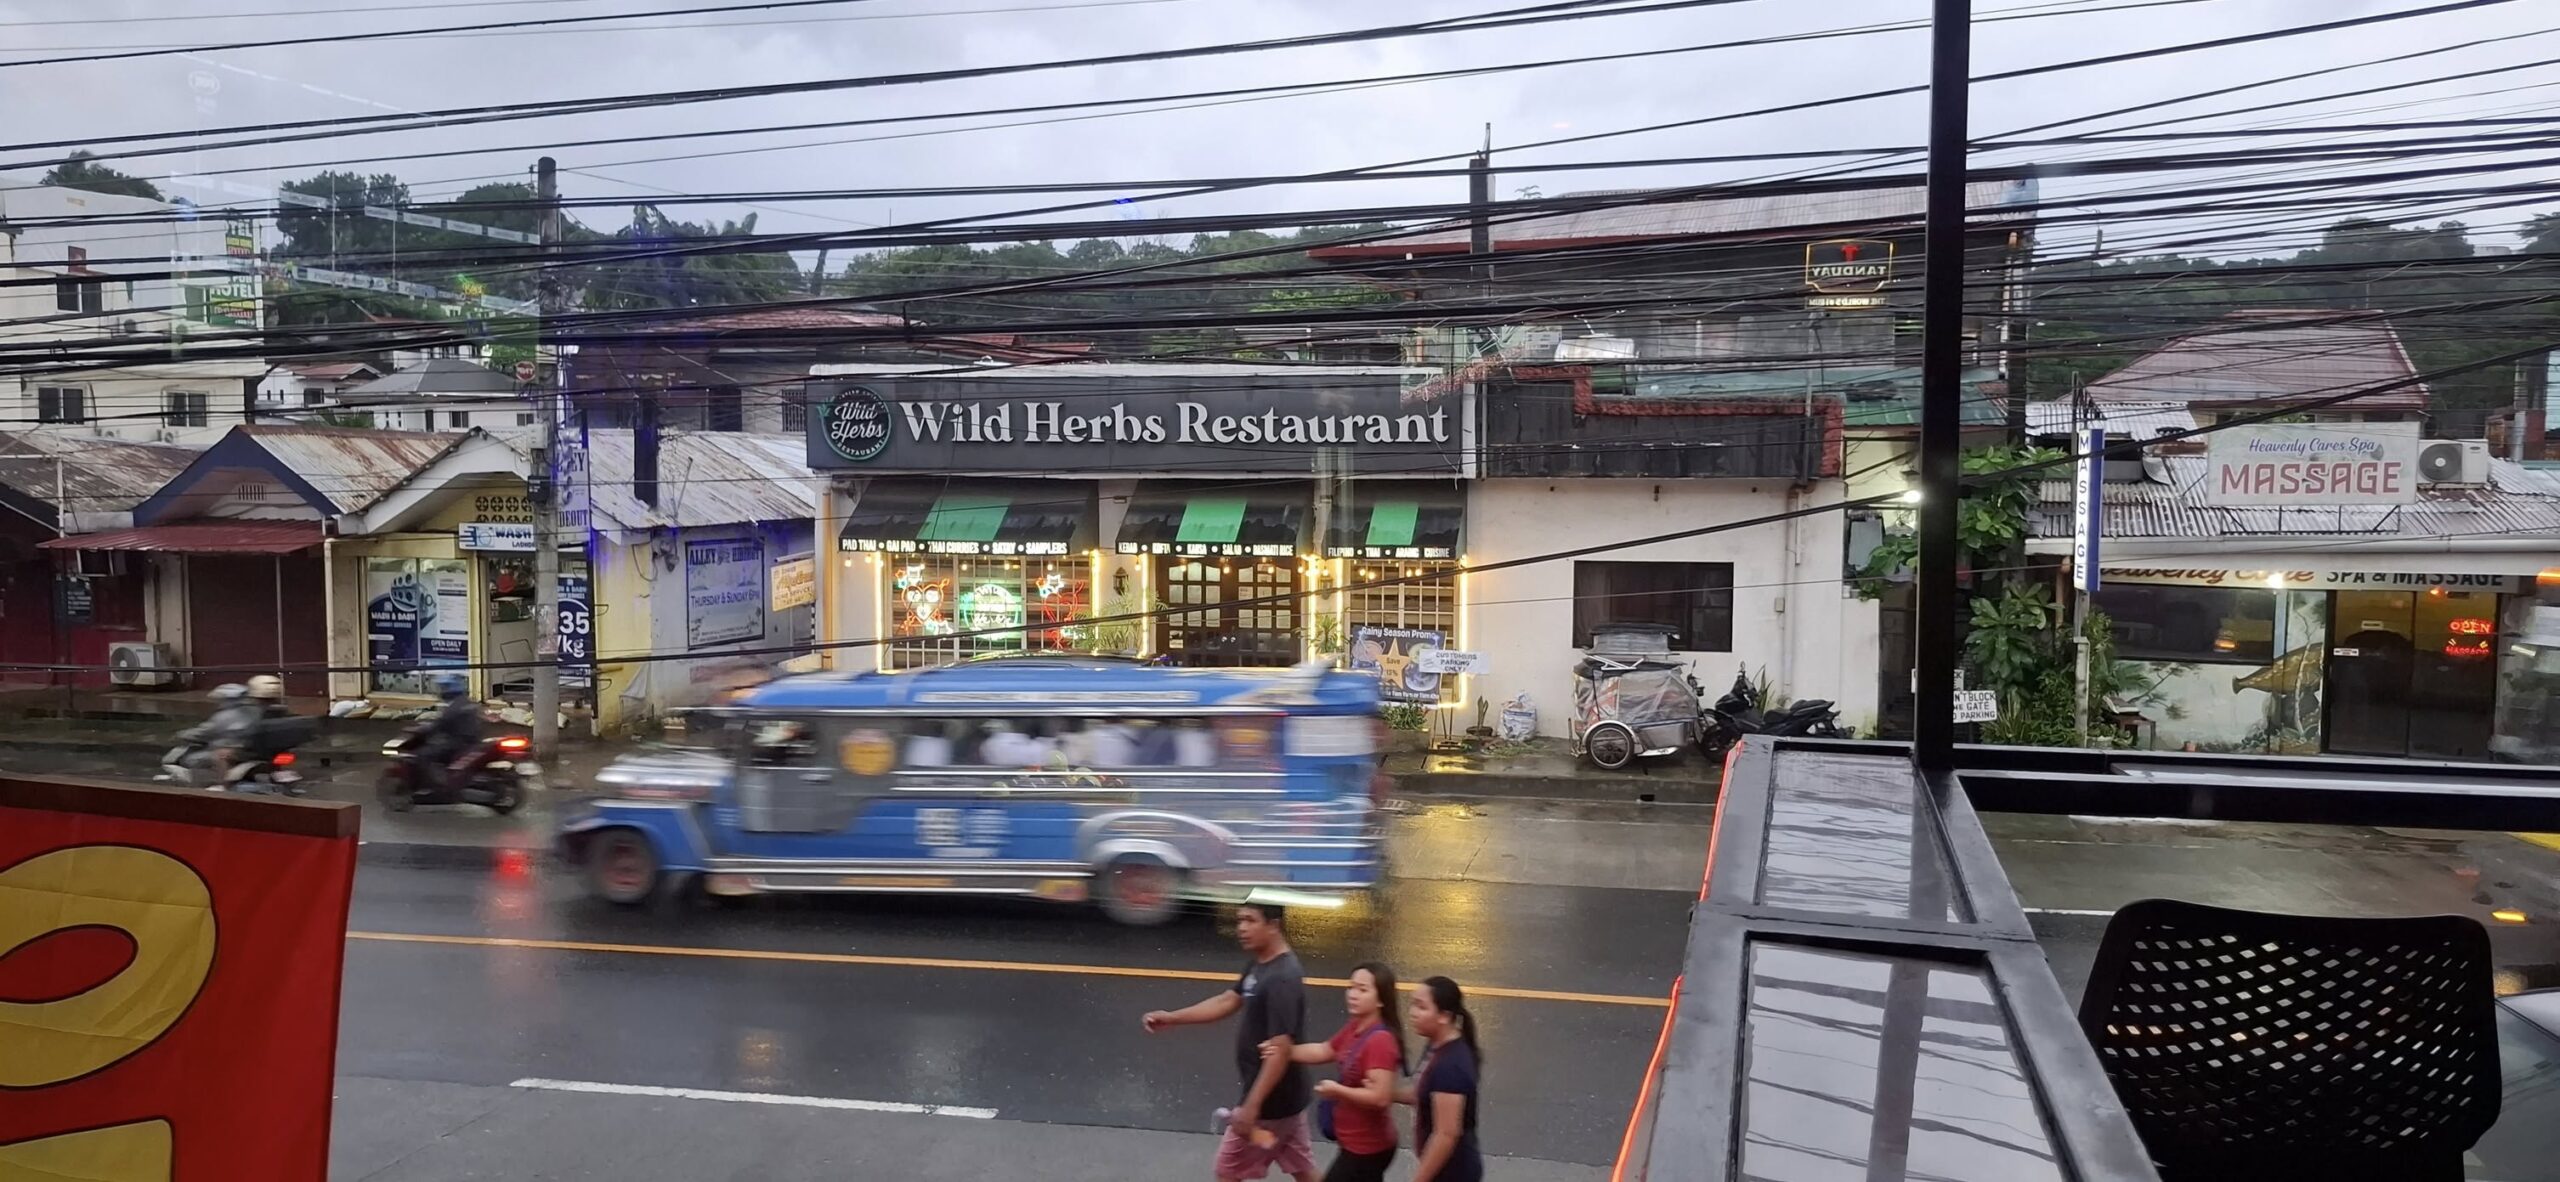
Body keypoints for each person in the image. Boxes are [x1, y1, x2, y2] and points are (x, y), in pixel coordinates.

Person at [1142, 903, 1317, 1182]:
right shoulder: (1262, 963)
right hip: (1288, 1102)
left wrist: (1251, 1106)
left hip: (1271, 1105)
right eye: (1239, 921)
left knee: (1228, 1170)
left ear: (1273, 925)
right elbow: (1228, 1000)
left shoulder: (1282, 979)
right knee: (1301, 1168)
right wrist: (1173, 1018)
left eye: (1250, 920)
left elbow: (1280, 1050)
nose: (1241, 928)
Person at [1265, 962, 1404, 1182]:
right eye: (1351, 987)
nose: (1353, 995)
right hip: (1356, 1144)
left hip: (1367, 1148)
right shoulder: (1356, 1027)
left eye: (1362, 990)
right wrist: (1284, 1051)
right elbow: (1325, 1050)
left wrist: (1337, 1091)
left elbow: (1380, 1097)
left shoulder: (1380, 1041)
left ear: (1380, 1000)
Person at [1403, 976, 1485, 1182]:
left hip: (1453, 1173)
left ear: (1444, 1016)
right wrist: (1383, 1094)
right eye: (1413, 1004)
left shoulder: (1451, 1066)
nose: (1412, 1013)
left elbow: (1446, 1134)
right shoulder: (1436, 1045)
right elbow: (1423, 1092)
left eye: (1421, 1007)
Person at [413, 673, 486, 793]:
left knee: (422, 755)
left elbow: (440, 724)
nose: (441, 691)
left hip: (457, 743)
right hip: (471, 741)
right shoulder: (466, 702)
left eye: (443, 688)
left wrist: (423, 730)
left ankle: (435, 786)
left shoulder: (454, 707)